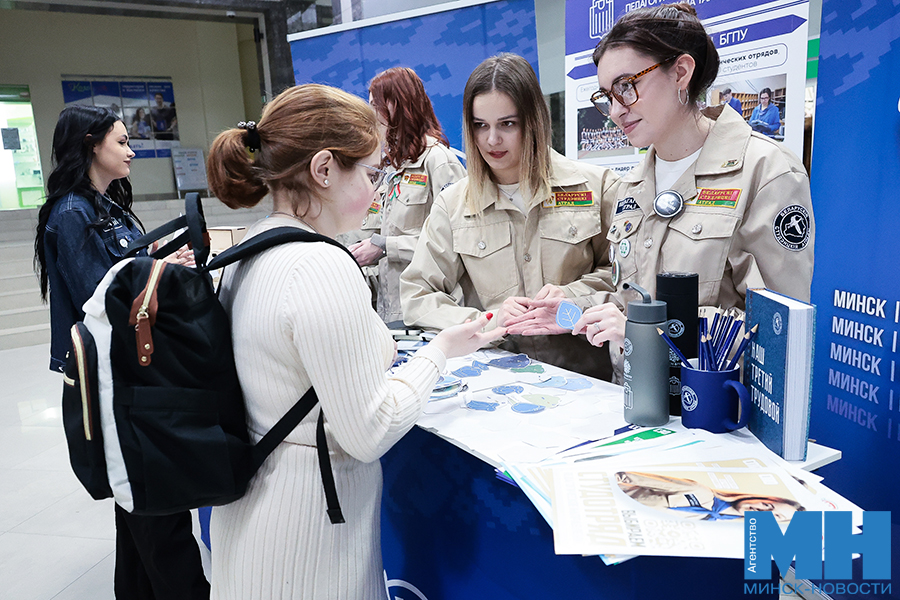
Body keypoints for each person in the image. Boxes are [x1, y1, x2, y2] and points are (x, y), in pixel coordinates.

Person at [204, 84, 505, 600]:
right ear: (324, 170)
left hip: (254, 513)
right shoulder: (321, 265)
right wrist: (439, 352)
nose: (376, 191)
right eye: (369, 174)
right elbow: (368, 430)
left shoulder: (251, 250)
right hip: (309, 535)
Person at [505, 4, 814, 381]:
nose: (616, 111)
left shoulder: (765, 171)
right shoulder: (632, 185)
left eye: (626, 86)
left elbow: (776, 332)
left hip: (716, 415)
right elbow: (629, 300)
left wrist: (648, 333)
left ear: (681, 72)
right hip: (633, 399)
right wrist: (570, 307)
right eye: (606, 95)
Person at [34, 105, 204, 599]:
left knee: (135, 500)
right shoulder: (71, 214)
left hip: (132, 366)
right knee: (153, 495)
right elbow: (99, 299)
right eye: (122, 142)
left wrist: (161, 261)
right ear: (92, 144)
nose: (131, 151)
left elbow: (127, 270)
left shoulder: (106, 205)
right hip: (113, 376)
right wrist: (162, 269)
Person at [400, 53, 620, 380]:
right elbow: (418, 296)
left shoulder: (597, 187)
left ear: (534, 121)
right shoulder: (453, 204)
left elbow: (623, 278)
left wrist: (572, 300)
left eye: (507, 124)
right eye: (480, 126)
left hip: (588, 382)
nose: (492, 140)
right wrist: (490, 320)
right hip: (497, 384)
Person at [348, 67, 466, 325]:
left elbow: (458, 240)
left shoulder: (438, 161)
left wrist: (385, 247)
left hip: (428, 309)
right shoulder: (389, 166)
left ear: (397, 105)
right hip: (388, 310)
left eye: (375, 105)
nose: (370, 115)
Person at [615, 471, 805, 522]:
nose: (762, 511)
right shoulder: (700, 491)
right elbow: (626, 476)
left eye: (775, 516)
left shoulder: (724, 527)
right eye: (767, 505)